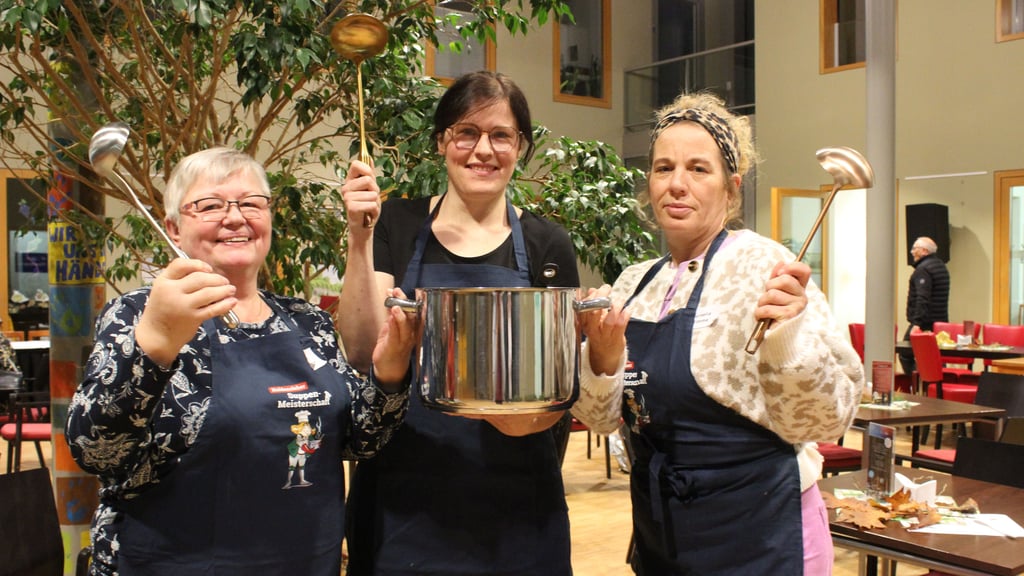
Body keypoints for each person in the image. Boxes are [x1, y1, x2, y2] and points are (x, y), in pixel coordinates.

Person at [65, 148, 418, 576]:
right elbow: (96, 450)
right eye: (211, 205)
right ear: (174, 228)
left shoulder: (307, 322)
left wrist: (391, 369)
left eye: (251, 203)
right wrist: (156, 342)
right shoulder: (136, 315)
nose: (235, 218)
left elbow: (359, 441)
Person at [572, 91, 864, 575]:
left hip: (761, 534)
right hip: (661, 533)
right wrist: (601, 357)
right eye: (663, 168)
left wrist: (787, 337)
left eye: (698, 169)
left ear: (732, 188)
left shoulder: (768, 269)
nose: (677, 185)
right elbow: (601, 420)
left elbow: (825, 420)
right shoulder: (633, 283)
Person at [337, 70, 580, 575]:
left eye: (501, 135)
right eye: (466, 132)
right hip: (403, 498)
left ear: (521, 146)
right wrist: (359, 238)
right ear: (443, 141)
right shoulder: (396, 225)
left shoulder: (547, 244)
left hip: (518, 501)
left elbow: (561, 388)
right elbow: (360, 351)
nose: (483, 150)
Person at [898, 236, 950, 373]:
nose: (912, 251)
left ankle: (918, 384)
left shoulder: (923, 270)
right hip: (940, 322)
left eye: (915, 248)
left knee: (905, 352)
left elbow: (922, 298)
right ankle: (935, 387)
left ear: (924, 251)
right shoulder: (941, 266)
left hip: (924, 323)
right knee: (935, 356)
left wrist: (916, 324)